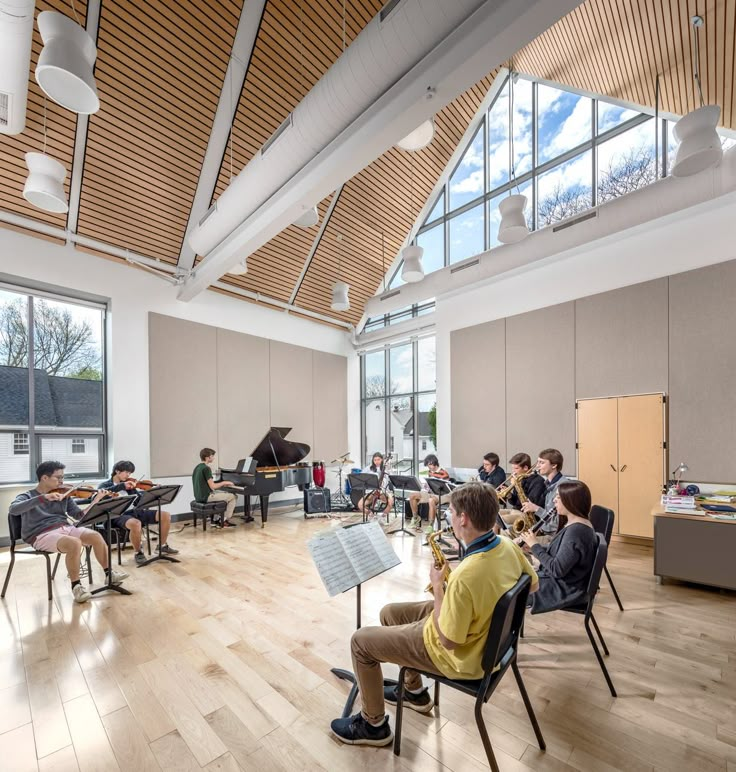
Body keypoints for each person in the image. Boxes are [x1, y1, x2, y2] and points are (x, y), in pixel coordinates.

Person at [330, 482, 538, 747]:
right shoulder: (506, 546)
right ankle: (414, 692)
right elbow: (533, 584)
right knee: (389, 613)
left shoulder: (467, 574)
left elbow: (449, 640)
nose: (448, 517)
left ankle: (373, 725)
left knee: (360, 641)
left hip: (459, 655)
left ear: (463, 518)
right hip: (483, 632)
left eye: (450, 511)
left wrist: (439, 589)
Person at [9, 461, 129, 603]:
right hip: (41, 534)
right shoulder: (27, 496)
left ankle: (109, 574)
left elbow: (79, 516)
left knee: (96, 536)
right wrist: (43, 498)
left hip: (65, 528)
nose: (62, 481)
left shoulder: (64, 495)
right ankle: (76, 586)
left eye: (62, 477)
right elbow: (14, 509)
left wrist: (96, 500)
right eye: (58, 478)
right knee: (74, 543)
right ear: (44, 478)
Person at [518, 480, 597, 613]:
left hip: (564, 589)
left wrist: (535, 545)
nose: (554, 500)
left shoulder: (576, 531)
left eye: (558, 497)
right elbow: (561, 554)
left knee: (507, 589)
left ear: (571, 501)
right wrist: (532, 548)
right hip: (564, 582)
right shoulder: (576, 524)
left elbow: (557, 569)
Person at [98, 461, 178, 566]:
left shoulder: (130, 485)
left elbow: (138, 502)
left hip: (135, 512)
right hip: (118, 515)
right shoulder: (105, 485)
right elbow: (98, 496)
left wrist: (153, 492)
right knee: (136, 524)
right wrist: (121, 486)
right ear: (117, 471)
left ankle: (162, 546)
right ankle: (138, 552)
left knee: (165, 515)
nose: (128, 475)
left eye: (130, 473)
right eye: (126, 472)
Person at [520, 448, 569, 545]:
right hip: (544, 530)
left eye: (541, 463)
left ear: (554, 465)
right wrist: (535, 529)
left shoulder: (562, 487)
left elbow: (556, 524)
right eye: (538, 462)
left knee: (516, 545)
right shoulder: (549, 484)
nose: (537, 466)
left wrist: (536, 509)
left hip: (554, 537)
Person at [498, 452, 547, 531]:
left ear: (525, 468)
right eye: (512, 468)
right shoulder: (519, 478)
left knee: (500, 521)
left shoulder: (538, 481)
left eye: (516, 468)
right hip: (515, 510)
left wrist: (517, 486)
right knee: (494, 515)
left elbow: (529, 503)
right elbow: (515, 502)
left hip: (527, 514)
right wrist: (510, 495)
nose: (513, 472)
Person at [192, 448, 238, 527]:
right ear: (207, 458)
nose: (213, 458)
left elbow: (207, 485)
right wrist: (224, 482)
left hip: (198, 496)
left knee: (224, 494)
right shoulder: (206, 468)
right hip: (206, 497)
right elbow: (213, 486)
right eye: (212, 456)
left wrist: (220, 487)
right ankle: (223, 520)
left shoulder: (197, 467)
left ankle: (215, 520)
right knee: (233, 496)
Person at [408, 454, 449, 531]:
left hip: (442, 495)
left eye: (430, 464)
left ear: (435, 462)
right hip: (431, 493)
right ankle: (415, 518)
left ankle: (430, 525)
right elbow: (429, 487)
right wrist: (425, 488)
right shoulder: (430, 472)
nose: (429, 466)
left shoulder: (443, 473)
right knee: (412, 495)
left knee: (431, 500)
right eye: (427, 465)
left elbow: (445, 489)